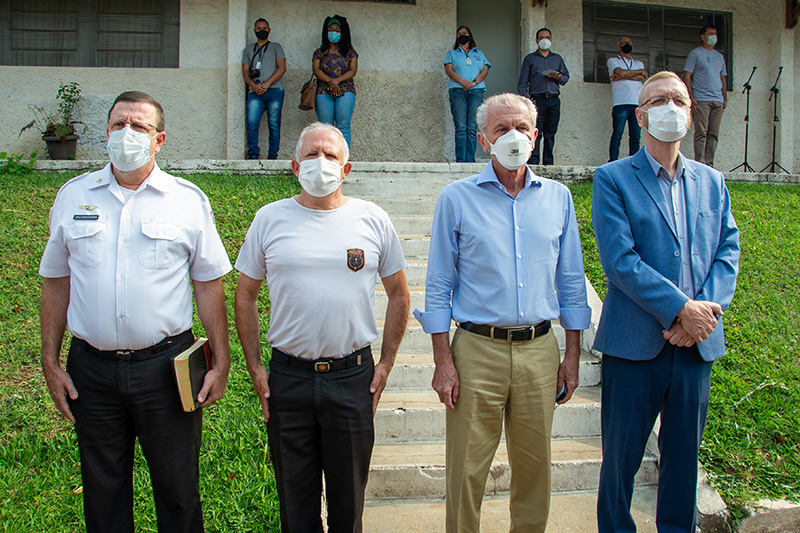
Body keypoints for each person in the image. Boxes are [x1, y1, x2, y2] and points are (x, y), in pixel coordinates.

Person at [39, 91, 232, 532]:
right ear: (106, 132)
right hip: (92, 371)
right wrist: (49, 361)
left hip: (166, 370)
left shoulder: (187, 200)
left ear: (159, 139)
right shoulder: (72, 197)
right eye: (118, 124)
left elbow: (208, 284)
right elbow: (55, 280)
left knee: (178, 490)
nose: (127, 133)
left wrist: (221, 360)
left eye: (140, 127)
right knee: (103, 494)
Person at [414, 93, 591, 532]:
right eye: (501, 130)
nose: (513, 137)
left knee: (535, 470)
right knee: (466, 472)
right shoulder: (456, 199)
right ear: (483, 140)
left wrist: (572, 354)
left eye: (521, 129)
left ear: (536, 135)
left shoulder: (558, 198)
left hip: (539, 350)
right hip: (476, 350)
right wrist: (442, 361)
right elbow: (438, 284)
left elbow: (571, 280)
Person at [234, 122, 410, 532]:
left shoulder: (372, 219)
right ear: (295, 165)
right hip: (288, 379)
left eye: (330, 155)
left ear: (346, 169)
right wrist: (256, 367)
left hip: (351, 379)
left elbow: (399, 294)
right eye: (311, 154)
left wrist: (385, 363)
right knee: (296, 509)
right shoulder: (269, 218)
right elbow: (244, 295)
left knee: (348, 508)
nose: (320, 162)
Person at [592, 71, 740, 532]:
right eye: (657, 100)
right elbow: (620, 261)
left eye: (678, 98)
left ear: (691, 109)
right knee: (621, 464)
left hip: (695, 348)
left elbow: (727, 251)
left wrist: (703, 315)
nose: (669, 107)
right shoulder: (612, 178)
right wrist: (682, 309)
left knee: (683, 461)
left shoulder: (712, 182)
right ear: (640, 114)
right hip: (635, 346)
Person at [517, 28, 569, 165]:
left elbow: (565, 78)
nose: (545, 40)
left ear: (551, 40)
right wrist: (526, 101)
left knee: (550, 132)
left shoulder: (557, 58)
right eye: (542, 37)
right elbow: (523, 82)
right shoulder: (530, 59)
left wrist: (557, 77)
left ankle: (548, 162)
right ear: (536, 40)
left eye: (547, 37)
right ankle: (533, 161)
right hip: (537, 99)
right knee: (536, 132)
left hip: (553, 98)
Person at [682, 25, 728, 167]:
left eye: (715, 33)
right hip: (701, 99)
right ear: (703, 36)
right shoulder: (695, 54)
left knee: (713, 133)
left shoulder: (720, 57)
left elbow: (723, 78)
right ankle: (700, 164)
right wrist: (690, 96)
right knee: (701, 132)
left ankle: (710, 164)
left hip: (717, 100)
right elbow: (687, 75)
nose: (714, 35)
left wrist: (724, 97)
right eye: (710, 33)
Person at [444, 26, 491, 163]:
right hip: (458, 91)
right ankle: (460, 161)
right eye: (459, 34)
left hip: (476, 91)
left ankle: (470, 160)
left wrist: (474, 82)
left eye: (464, 33)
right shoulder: (452, 53)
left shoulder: (479, 54)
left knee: (471, 127)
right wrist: (463, 82)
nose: (462, 35)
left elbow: (485, 70)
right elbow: (449, 71)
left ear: (470, 36)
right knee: (460, 127)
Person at [242, 18, 286, 160]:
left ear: (269, 30)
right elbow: (245, 72)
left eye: (265, 28)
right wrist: (254, 86)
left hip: (274, 90)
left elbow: (282, 68)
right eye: (259, 28)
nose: (262, 30)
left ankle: (272, 156)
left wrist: (267, 84)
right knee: (252, 122)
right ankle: (253, 154)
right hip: (255, 92)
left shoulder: (276, 47)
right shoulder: (249, 50)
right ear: (254, 31)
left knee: (274, 124)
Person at [313, 15, 358, 148]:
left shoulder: (350, 52)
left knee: (343, 126)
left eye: (337, 30)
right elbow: (316, 69)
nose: (334, 33)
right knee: (325, 127)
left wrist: (337, 81)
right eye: (331, 29)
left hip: (346, 91)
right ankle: (327, 156)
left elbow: (352, 71)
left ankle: (343, 159)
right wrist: (330, 81)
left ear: (343, 33)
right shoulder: (320, 52)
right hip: (323, 91)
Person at [607, 36, 647, 161]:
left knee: (635, 136)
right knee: (617, 134)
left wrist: (622, 76)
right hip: (620, 103)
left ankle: (634, 161)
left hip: (636, 103)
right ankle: (613, 161)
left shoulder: (638, 63)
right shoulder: (613, 61)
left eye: (629, 43)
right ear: (619, 47)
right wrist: (632, 74)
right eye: (624, 43)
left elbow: (643, 75)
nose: (627, 45)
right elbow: (622, 72)